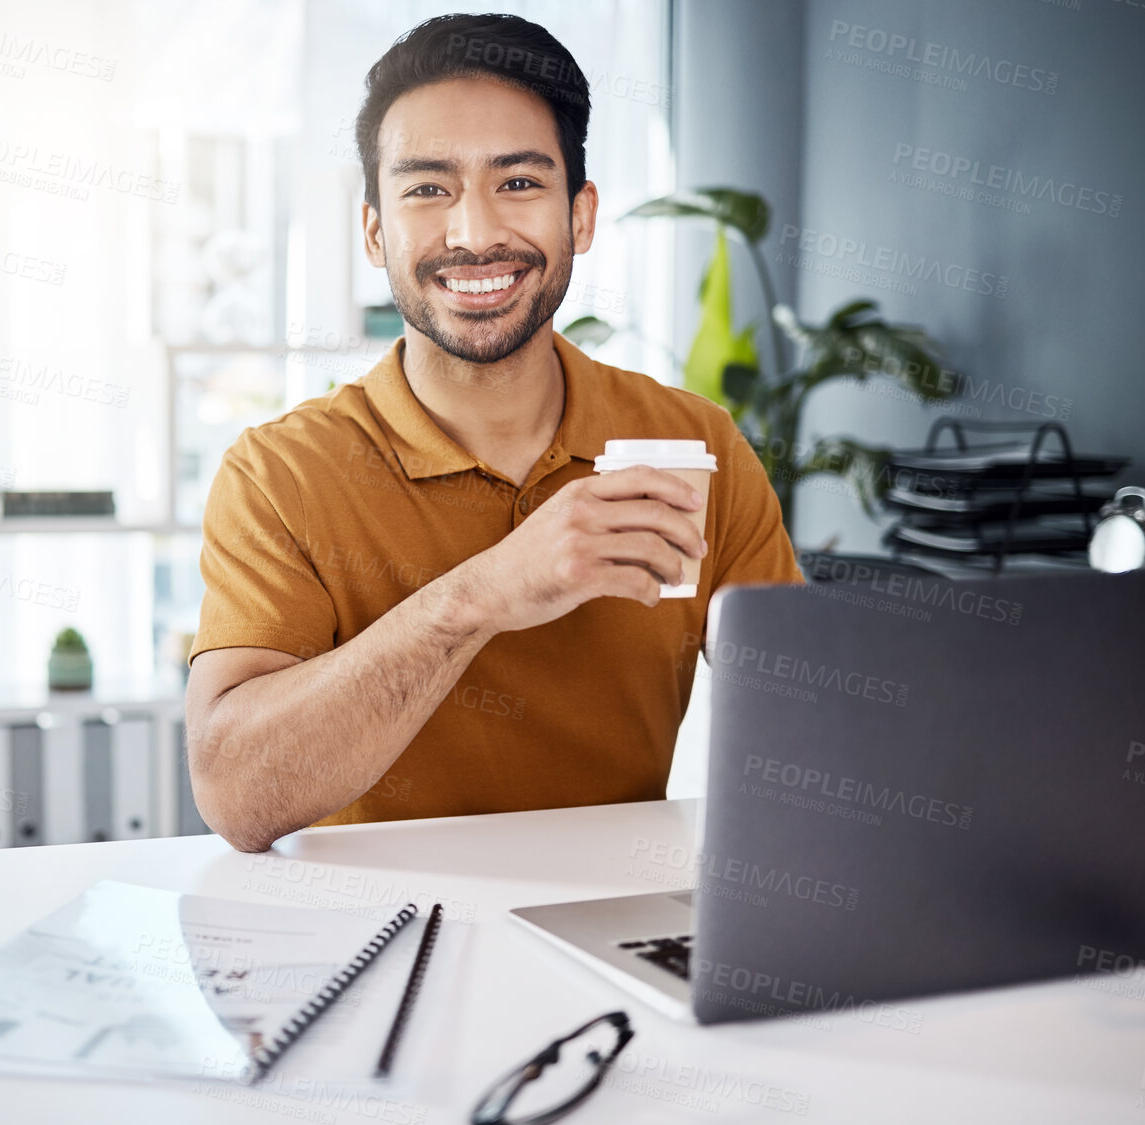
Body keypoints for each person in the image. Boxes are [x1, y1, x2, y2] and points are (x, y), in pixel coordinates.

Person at [186, 13, 802, 853]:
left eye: (517, 184)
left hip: (610, 925)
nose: (474, 235)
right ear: (374, 230)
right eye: (427, 189)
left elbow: (804, 732)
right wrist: (483, 595)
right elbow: (234, 795)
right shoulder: (279, 474)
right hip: (372, 941)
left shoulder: (694, 443)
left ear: (579, 217)